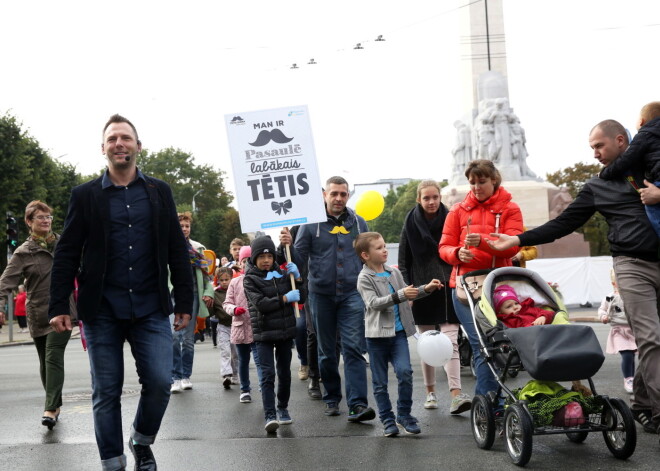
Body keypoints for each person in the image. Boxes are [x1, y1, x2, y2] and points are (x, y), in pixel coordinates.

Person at [487, 119, 660, 437]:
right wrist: (518, 240)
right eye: (591, 148)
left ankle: (644, 404)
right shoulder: (597, 187)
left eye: (599, 146)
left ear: (621, 141)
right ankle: (654, 407)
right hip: (632, 264)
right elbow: (564, 223)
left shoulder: (653, 169)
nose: (594, 154)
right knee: (651, 337)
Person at [48, 114, 193, 471]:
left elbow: (177, 247)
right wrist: (58, 304)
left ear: (138, 146)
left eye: (125, 138)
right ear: (103, 149)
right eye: (112, 139)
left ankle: (141, 441)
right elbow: (66, 251)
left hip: (151, 306)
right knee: (106, 392)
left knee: (160, 383)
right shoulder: (85, 196)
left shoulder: (159, 191)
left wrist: (185, 301)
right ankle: (112, 463)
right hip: (102, 310)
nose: (119, 144)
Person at [280, 176, 376, 422]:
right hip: (320, 295)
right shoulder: (311, 224)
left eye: (343, 194)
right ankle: (332, 397)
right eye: (334, 193)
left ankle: (357, 404)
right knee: (326, 351)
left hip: (352, 295)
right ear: (324, 194)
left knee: (354, 348)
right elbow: (298, 261)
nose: (338, 198)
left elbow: (370, 256)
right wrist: (286, 247)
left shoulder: (358, 222)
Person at [439, 159, 523, 400]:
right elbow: (444, 246)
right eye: (472, 182)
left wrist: (484, 242)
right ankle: (487, 401)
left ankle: (494, 399)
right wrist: (456, 253)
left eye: (482, 181)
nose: (476, 187)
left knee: (497, 343)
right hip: (465, 288)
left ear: (494, 180)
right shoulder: (457, 210)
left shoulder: (510, 208)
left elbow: (513, 247)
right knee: (481, 344)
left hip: (497, 287)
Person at [356, 232, 441, 436]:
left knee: (405, 373)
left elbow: (407, 292)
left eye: (384, 245)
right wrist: (399, 295)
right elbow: (373, 303)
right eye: (378, 247)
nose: (384, 250)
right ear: (365, 255)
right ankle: (387, 419)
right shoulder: (364, 278)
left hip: (399, 334)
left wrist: (426, 289)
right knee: (380, 382)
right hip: (376, 338)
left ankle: (404, 414)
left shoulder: (393, 273)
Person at [0, 200, 75, 429]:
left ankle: (50, 408)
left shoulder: (64, 243)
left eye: (48, 217)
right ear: (29, 222)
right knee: (44, 362)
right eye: (40, 218)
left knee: (53, 356)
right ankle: (56, 404)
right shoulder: (23, 252)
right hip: (37, 312)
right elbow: (6, 282)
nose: (45, 221)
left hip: (63, 311)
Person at [398, 180, 470, 414]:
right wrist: (409, 289)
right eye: (426, 198)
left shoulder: (451, 218)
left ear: (440, 198)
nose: (431, 202)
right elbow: (404, 259)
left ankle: (456, 395)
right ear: (419, 199)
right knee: (428, 343)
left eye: (435, 197)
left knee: (451, 342)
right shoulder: (409, 222)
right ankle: (430, 393)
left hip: (448, 287)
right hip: (421, 289)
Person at [243, 236, 305, 433]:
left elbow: (302, 294)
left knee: (285, 373)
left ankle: (283, 408)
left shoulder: (283, 274)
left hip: (285, 331)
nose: (266, 260)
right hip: (263, 333)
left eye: (269, 255)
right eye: (261, 256)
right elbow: (260, 304)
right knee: (268, 374)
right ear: (254, 258)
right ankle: (270, 414)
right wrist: (285, 297)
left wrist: (299, 278)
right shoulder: (250, 279)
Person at [599, 101, 660, 237]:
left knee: (653, 210)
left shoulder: (644, 135)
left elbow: (626, 160)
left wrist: (605, 173)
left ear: (642, 121)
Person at [171, 212, 214, 393]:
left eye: (187, 226)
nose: (184, 229)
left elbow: (207, 276)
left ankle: (185, 375)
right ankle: (174, 377)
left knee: (188, 339)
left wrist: (208, 292)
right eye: (181, 226)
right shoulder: (168, 245)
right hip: (172, 295)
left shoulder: (198, 249)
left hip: (193, 295)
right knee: (173, 337)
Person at [223, 245, 262, 403]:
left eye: (249, 260)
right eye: (243, 261)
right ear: (240, 263)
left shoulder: (260, 280)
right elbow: (226, 303)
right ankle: (245, 389)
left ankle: (264, 386)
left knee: (260, 360)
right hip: (240, 328)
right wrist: (234, 309)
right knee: (243, 360)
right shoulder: (234, 282)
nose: (246, 264)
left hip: (257, 326)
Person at [599, 269, 637, 394]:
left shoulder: (632, 295)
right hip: (619, 331)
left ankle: (633, 378)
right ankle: (628, 378)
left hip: (633, 330)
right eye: (619, 283)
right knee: (626, 355)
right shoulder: (610, 298)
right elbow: (602, 310)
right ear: (614, 284)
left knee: (631, 356)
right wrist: (603, 316)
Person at [212, 267, 236, 388]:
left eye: (227, 279)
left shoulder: (235, 290)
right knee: (225, 351)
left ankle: (236, 374)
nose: (224, 282)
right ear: (218, 280)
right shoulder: (215, 293)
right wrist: (208, 304)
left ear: (232, 278)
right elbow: (211, 312)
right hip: (222, 326)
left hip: (236, 326)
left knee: (235, 353)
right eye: (221, 280)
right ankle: (226, 375)